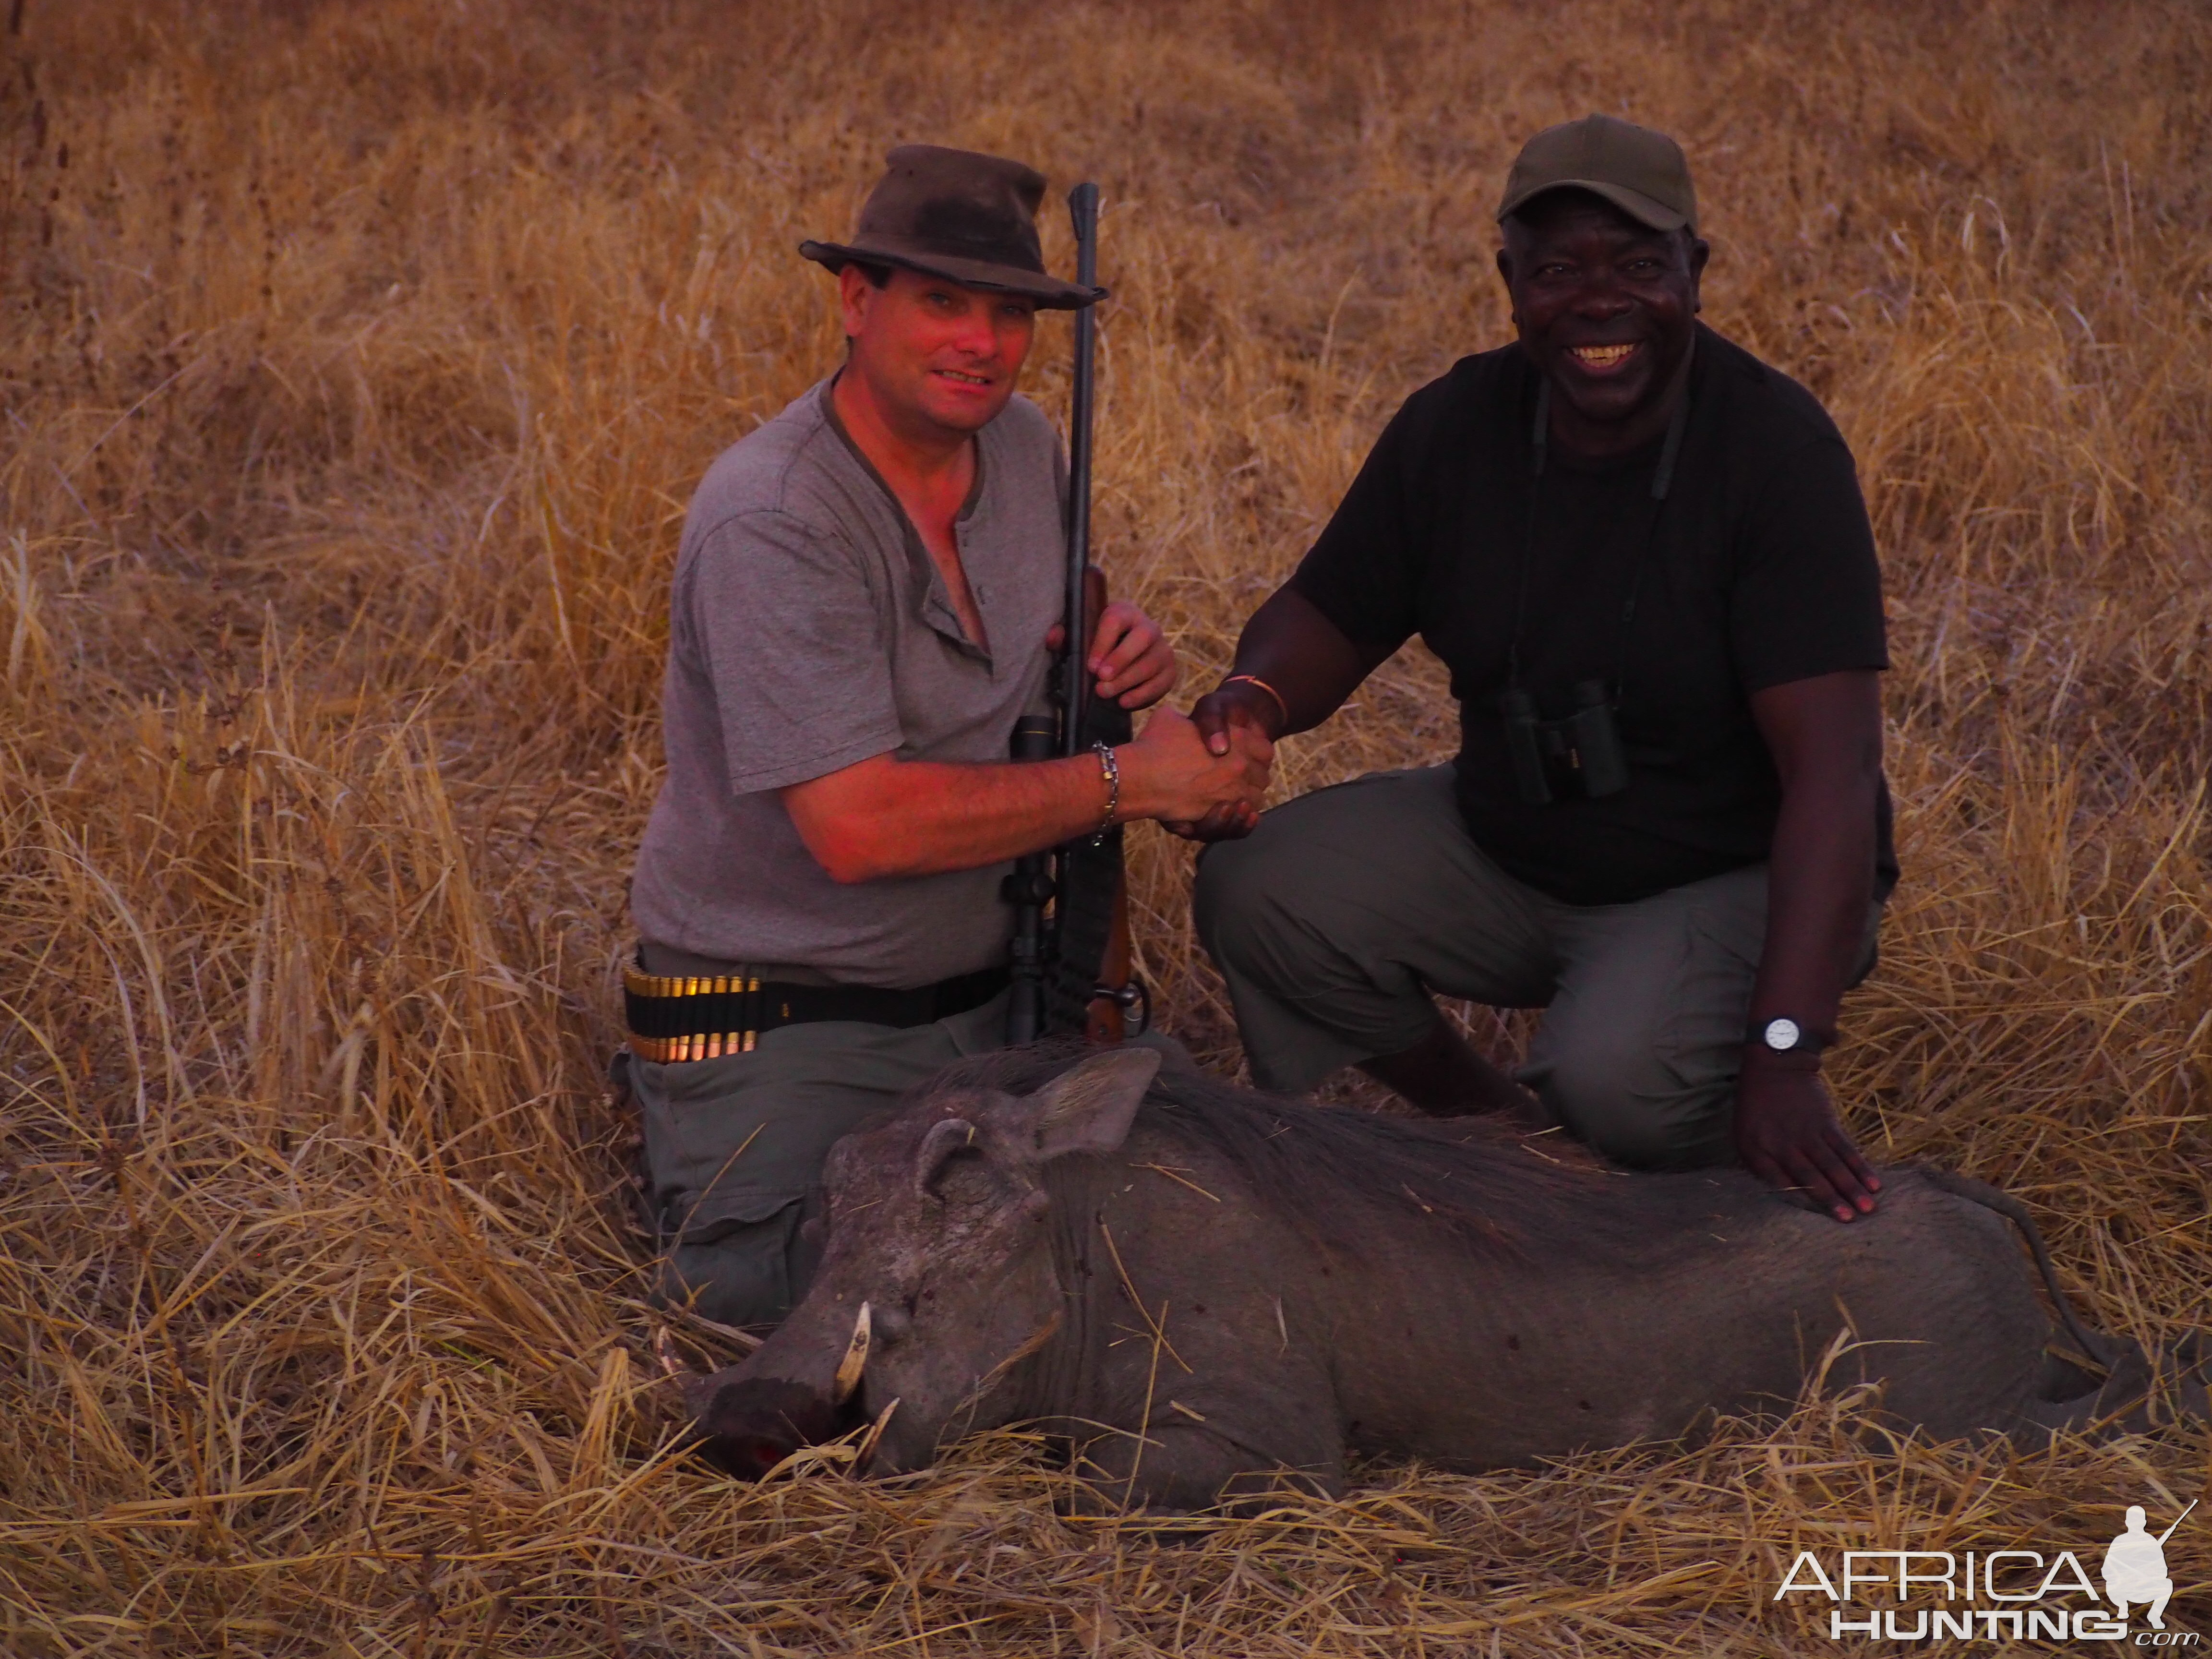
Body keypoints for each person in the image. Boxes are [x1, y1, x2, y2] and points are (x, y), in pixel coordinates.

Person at [1188, 114, 1896, 1223]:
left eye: (1637, 266)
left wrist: (1784, 1055)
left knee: (1620, 1082)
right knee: (1259, 888)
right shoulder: (1455, 425)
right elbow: (1328, 611)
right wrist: (1252, 703)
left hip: (1723, 867)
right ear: (1509, 279)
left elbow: (1835, 777)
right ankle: (1514, 1144)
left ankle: (1684, 1148)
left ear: (1695, 274)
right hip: (1511, 838)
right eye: (1559, 268)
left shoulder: (1777, 453)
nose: (1598, 302)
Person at [623, 145, 1269, 1328]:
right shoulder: (773, 515)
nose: (981, 342)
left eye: (1011, 313)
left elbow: (1064, 621)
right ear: (855, 301)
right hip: (794, 1015)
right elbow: (858, 826)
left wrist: (1114, 640)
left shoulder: (1023, 446)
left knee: (1199, 1215)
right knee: (823, 1308)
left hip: (994, 996)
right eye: (942, 303)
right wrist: (1129, 778)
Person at [2102, 1505, 2176, 1630]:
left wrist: (2147, 1574)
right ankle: (2122, 1607)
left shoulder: (2151, 1542)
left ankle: (2154, 1615)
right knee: (2111, 1584)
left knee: (2167, 1584)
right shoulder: (2120, 1541)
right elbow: (2107, 1570)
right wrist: (2124, 1576)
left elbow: (2163, 1570)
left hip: (2146, 1590)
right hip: (2123, 1589)